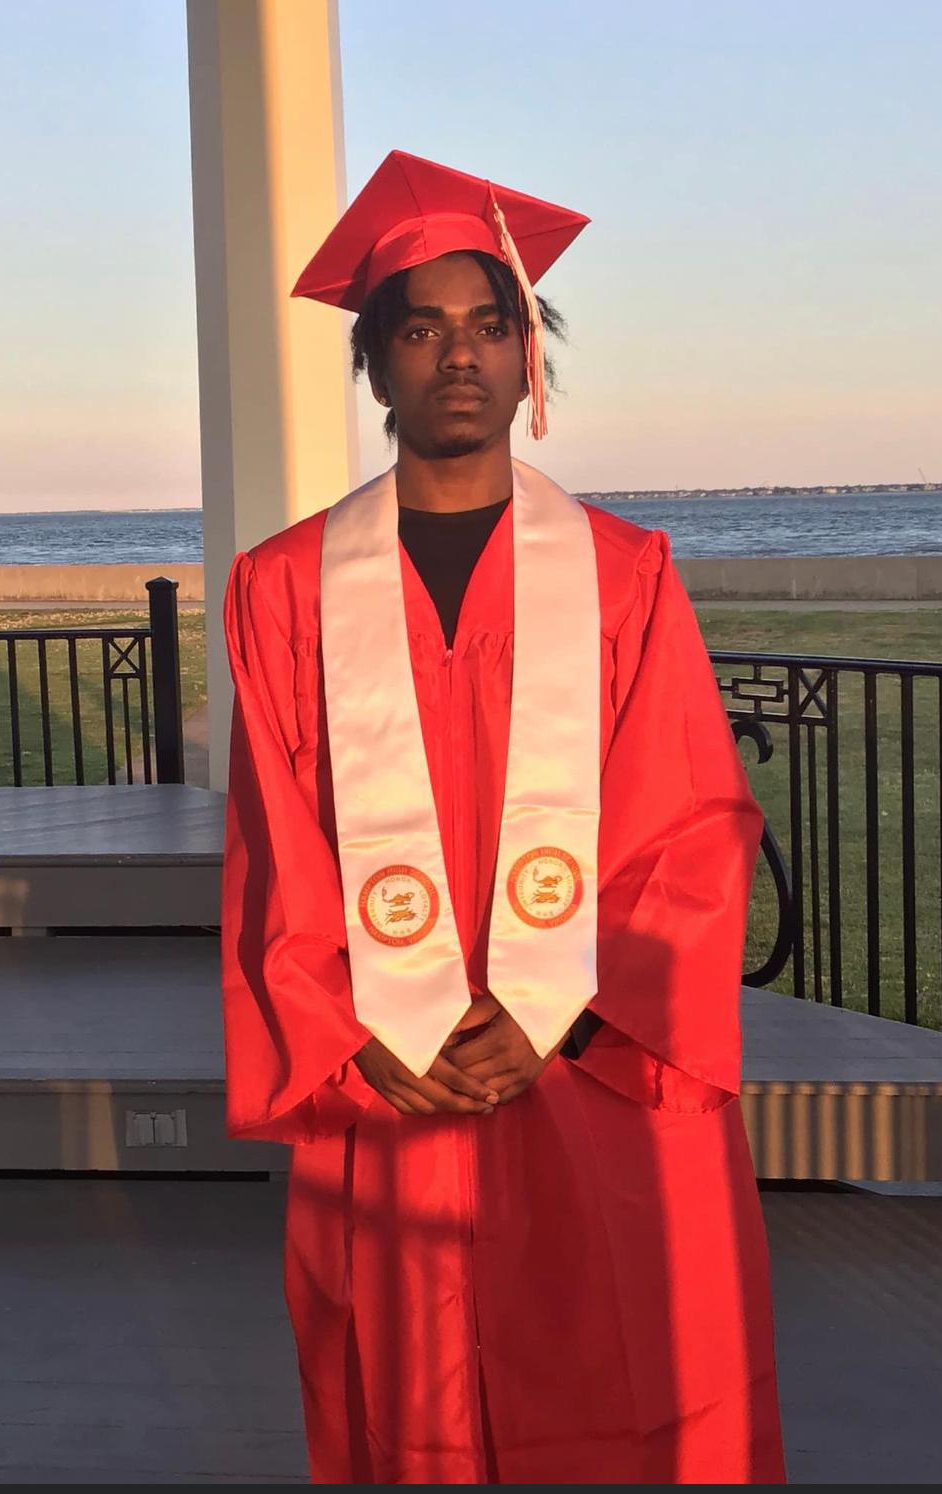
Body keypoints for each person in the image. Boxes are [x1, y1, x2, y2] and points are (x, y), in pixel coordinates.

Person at [220, 149, 786, 1485]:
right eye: (421, 330)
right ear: (376, 366)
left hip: (593, 1065)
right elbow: (274, 849)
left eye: (489, 324)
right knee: (412, 1394)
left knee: (623, 1374)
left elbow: (690, 824)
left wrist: (562, 1013)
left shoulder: (623, 575)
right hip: (393, 1073)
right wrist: (352, 1029)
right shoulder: (285, 588)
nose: (459, 356)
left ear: (529, 358)